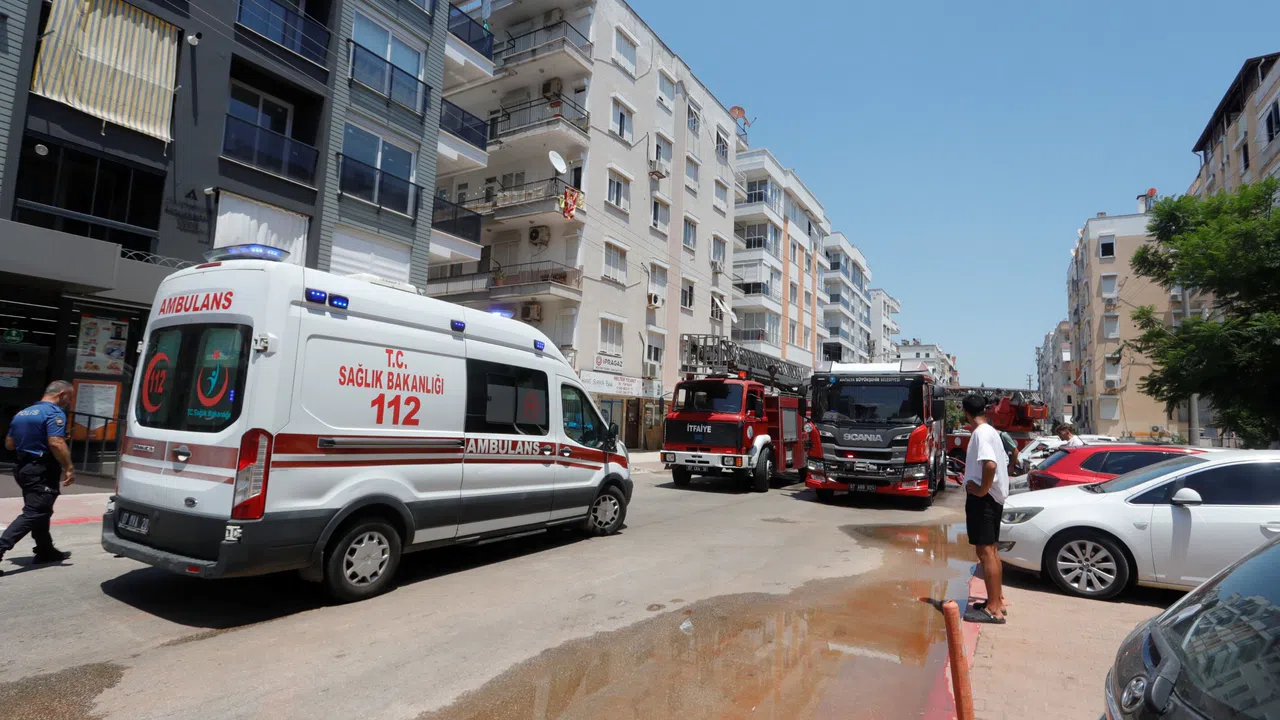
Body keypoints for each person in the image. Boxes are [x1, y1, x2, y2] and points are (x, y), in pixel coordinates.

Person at [0, 381, 76, 575]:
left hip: (23, 468)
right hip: (41, 469)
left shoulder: (23, 413)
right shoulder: (54, 413)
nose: (69, 401)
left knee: (40, 509)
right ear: (61, 394)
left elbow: (9, 444)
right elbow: (56, 442)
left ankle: (45, 550)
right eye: (69, 397)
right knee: (35, 511)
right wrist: (69, 467)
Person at [961, 393, 1009, 624]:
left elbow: (990, 465)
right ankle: (997, 601)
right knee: (991, 551)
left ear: (966, 413)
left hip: (984, 500)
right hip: (993, 498)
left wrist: (981, 490)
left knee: (986, 552)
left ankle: (993, 610)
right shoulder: (991, 431)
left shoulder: (980, 433)